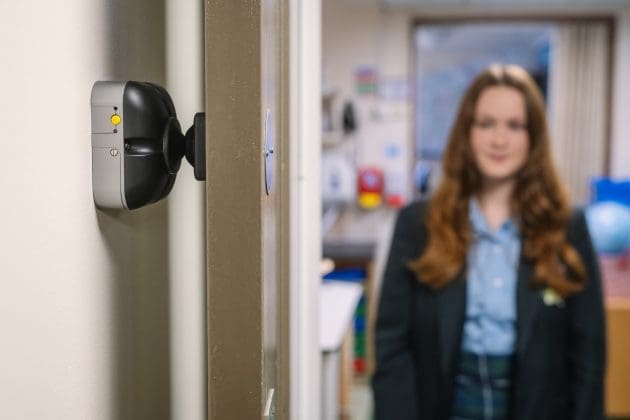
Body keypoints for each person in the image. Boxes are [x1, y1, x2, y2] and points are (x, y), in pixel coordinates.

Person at [372, 64, 605, 420]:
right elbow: (392, 347)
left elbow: (588, 357)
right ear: (466, 132)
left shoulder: (567, 228)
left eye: (515, 125)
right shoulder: (417, 225)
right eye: (486, 124)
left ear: (533, 137)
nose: (499, 140)